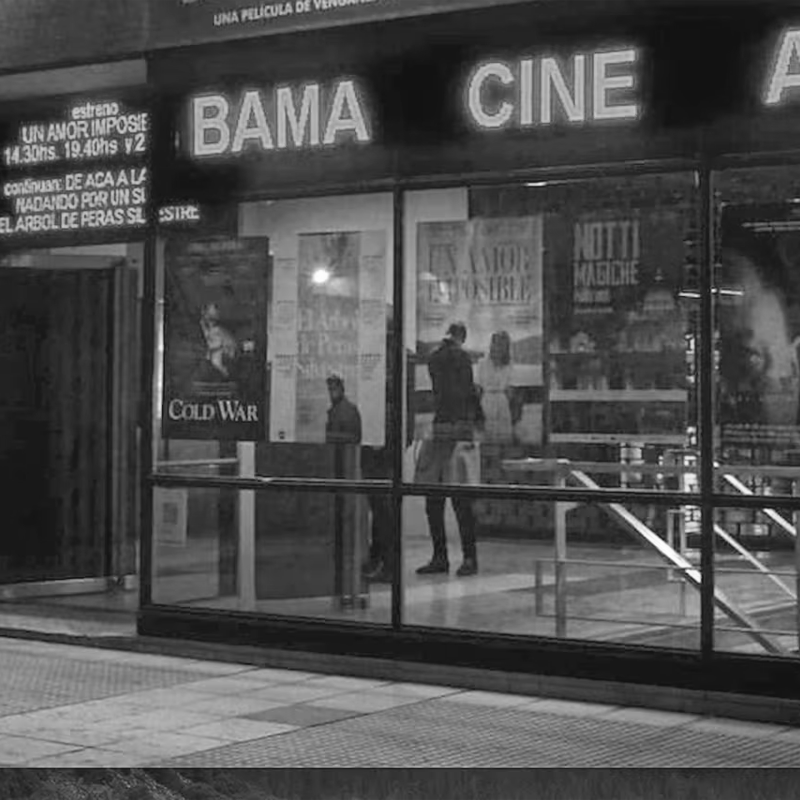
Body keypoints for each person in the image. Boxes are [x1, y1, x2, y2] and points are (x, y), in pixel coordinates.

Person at [415, 321, 484, 577]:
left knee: (434, 498)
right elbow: (467, 392)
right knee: (461, 500)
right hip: (458, 428)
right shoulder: (461, 357)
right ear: (462, 337)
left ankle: (439, 555)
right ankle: (469, 558)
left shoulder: (434, 358)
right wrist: (479, 417)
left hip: (439, 426)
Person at [477, 330, 514, 443]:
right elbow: (478, 388)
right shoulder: (482, 363)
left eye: (501, 343)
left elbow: (509, 387)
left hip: (502, 402)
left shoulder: (508, 364)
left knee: (504, 436)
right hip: (487, 400)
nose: (498, 346)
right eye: (496, 342)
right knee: (488, 435)